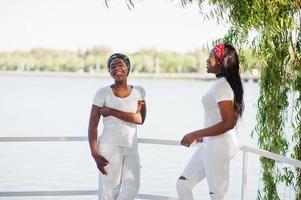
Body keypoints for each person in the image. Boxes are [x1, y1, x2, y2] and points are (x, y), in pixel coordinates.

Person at [176, 44, 244, 200]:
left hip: (219, 144)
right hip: (213, 141)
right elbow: (220, 118)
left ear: (220, 61)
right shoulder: (222, 84)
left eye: (210, 56)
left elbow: (228, 123)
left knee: (218, 195)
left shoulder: (222, 86)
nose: (207, 60)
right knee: (183, 184)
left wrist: (195, 134)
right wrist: (205, 135)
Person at [88, 53, 146, 200]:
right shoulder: (103, 93)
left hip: (131, 148)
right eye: (112, 66)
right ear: (109, 72)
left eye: (120, 65)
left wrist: (111, 111)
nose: (117, 69)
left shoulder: (139, 91)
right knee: (109, 192)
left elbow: (139, 119)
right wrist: (94, 154)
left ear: (128, 68)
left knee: (132, 188)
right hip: (109, 147)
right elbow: (92, 126)